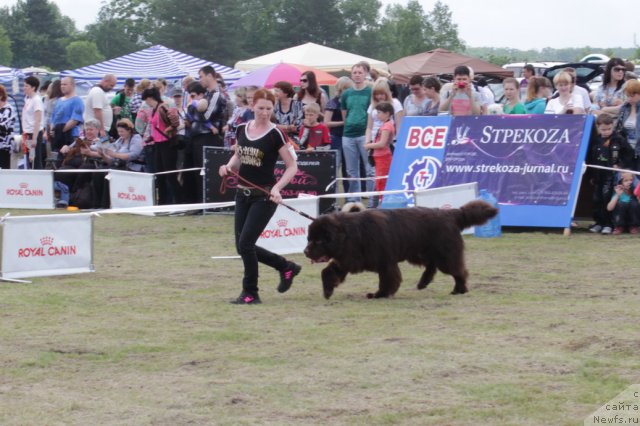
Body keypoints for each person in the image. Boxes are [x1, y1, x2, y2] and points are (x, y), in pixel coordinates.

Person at [218, 88, 300, 305]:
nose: (264, 112)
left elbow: (292, 166)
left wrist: (277, 188)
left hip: (264, 196)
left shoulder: (276, 134)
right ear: (252, 105)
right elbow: (238, 155)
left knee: (245, 244)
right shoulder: (242, 129)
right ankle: (286, 267)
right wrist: (227, 167)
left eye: (269, 108)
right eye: (261, 107)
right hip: (242, 194)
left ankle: (250, 292)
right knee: (242, 245)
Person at [586, 113, 634, 234]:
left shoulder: (619, 139)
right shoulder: (595, 140)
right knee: (597, 199)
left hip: (611, 177)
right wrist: (591, 175)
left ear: (613, 126)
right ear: (598, 127)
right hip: (597, 175)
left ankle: (608, 224)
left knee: (607, 198)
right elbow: (590, 159)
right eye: (603, 129)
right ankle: (598, 222)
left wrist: (621, 166)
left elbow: (628, 154)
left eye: (609, 129)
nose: (606, 131)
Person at [341, 62, 374, 205]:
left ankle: (373, 199)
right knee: (351, 171)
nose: (357, 75)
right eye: (355, 72)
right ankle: (354, 200)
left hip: (364, 134)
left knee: (370, 169)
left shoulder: (370, 91)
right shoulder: (346, 93)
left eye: (360, 72)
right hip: (348, 134)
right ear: (351, 74)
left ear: (365, 73)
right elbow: (344, 115)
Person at [142, 87, 181, 205]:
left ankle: (180, 202)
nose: (146, 102)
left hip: (167, 144)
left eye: (146, 100)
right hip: (158, 144)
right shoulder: (154, 109)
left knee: (170, 174)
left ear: (149, 98)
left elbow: (175, 121)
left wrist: (169, 129)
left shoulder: (162, 107)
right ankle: (162, 202)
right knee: (159, 174)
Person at [324, 76, 353, 193]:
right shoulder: (333, 102)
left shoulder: (350, 102)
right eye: (344, 88)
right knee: (335, 168)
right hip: (336, 138)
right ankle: (333, 197)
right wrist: (343, 122)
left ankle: (349, 196)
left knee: (349, 170)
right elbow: (326, 123)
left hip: (349, 137)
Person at [364, 101, 394, 199]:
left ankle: (383, 200)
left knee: (381, 181)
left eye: (379, 113)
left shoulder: (387, 126)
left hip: (383, 157)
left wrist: (369, 145)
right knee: (379, 181)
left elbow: (382, 143)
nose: (377, 115)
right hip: (380, 157)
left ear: (387, 113)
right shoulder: (385, 125)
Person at [365, 78, 403, 151]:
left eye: (382, 94)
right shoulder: (372, 106)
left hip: (390, 142)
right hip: (374, 142)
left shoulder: (395, 103)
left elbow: (399, 126)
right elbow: (369, 127)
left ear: (387, 93)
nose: (379, 97)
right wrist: (367, 141)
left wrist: (399, 143)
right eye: (376, 94)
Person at [50, 76, 84, 155]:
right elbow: (53, 118)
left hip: (70, 136)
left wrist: (59, 130)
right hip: (57, 137)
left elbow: (75, 120)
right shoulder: (59, 100)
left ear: (72, 85)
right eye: (61, 84)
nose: (62, 86)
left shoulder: (77, 101)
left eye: (65, 84)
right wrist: (52, 130)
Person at [22, 76, 45, 169]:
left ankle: (39, 180)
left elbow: (38, 119)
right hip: (27, 133)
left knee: (35, 159)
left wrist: (34, 138)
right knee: (30, 158)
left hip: (33, 133)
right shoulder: (28, 99)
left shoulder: (36, 100)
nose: (24, 88)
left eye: (26, 86)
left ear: (33, 87)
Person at [616, 79, 640, 170]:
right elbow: (619, 128)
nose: (629, 98)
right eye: (627, 96)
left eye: (632, 96)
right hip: (627, 149)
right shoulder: (624, 108)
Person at [273, 80, 304, 144]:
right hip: (277, 139)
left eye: (277, 91)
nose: (274, 93)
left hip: (295, 141)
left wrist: (280, 127)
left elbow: (298, 127)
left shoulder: (297, 105)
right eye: (274, 90)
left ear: (286, 93)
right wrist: (289, 127)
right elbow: (271, 126)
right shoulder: (273, 106)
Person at [0, 84, 15, 169]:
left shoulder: (8, 109)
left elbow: (3, 127)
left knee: (4, 170)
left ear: (1, 96)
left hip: (5, 146)